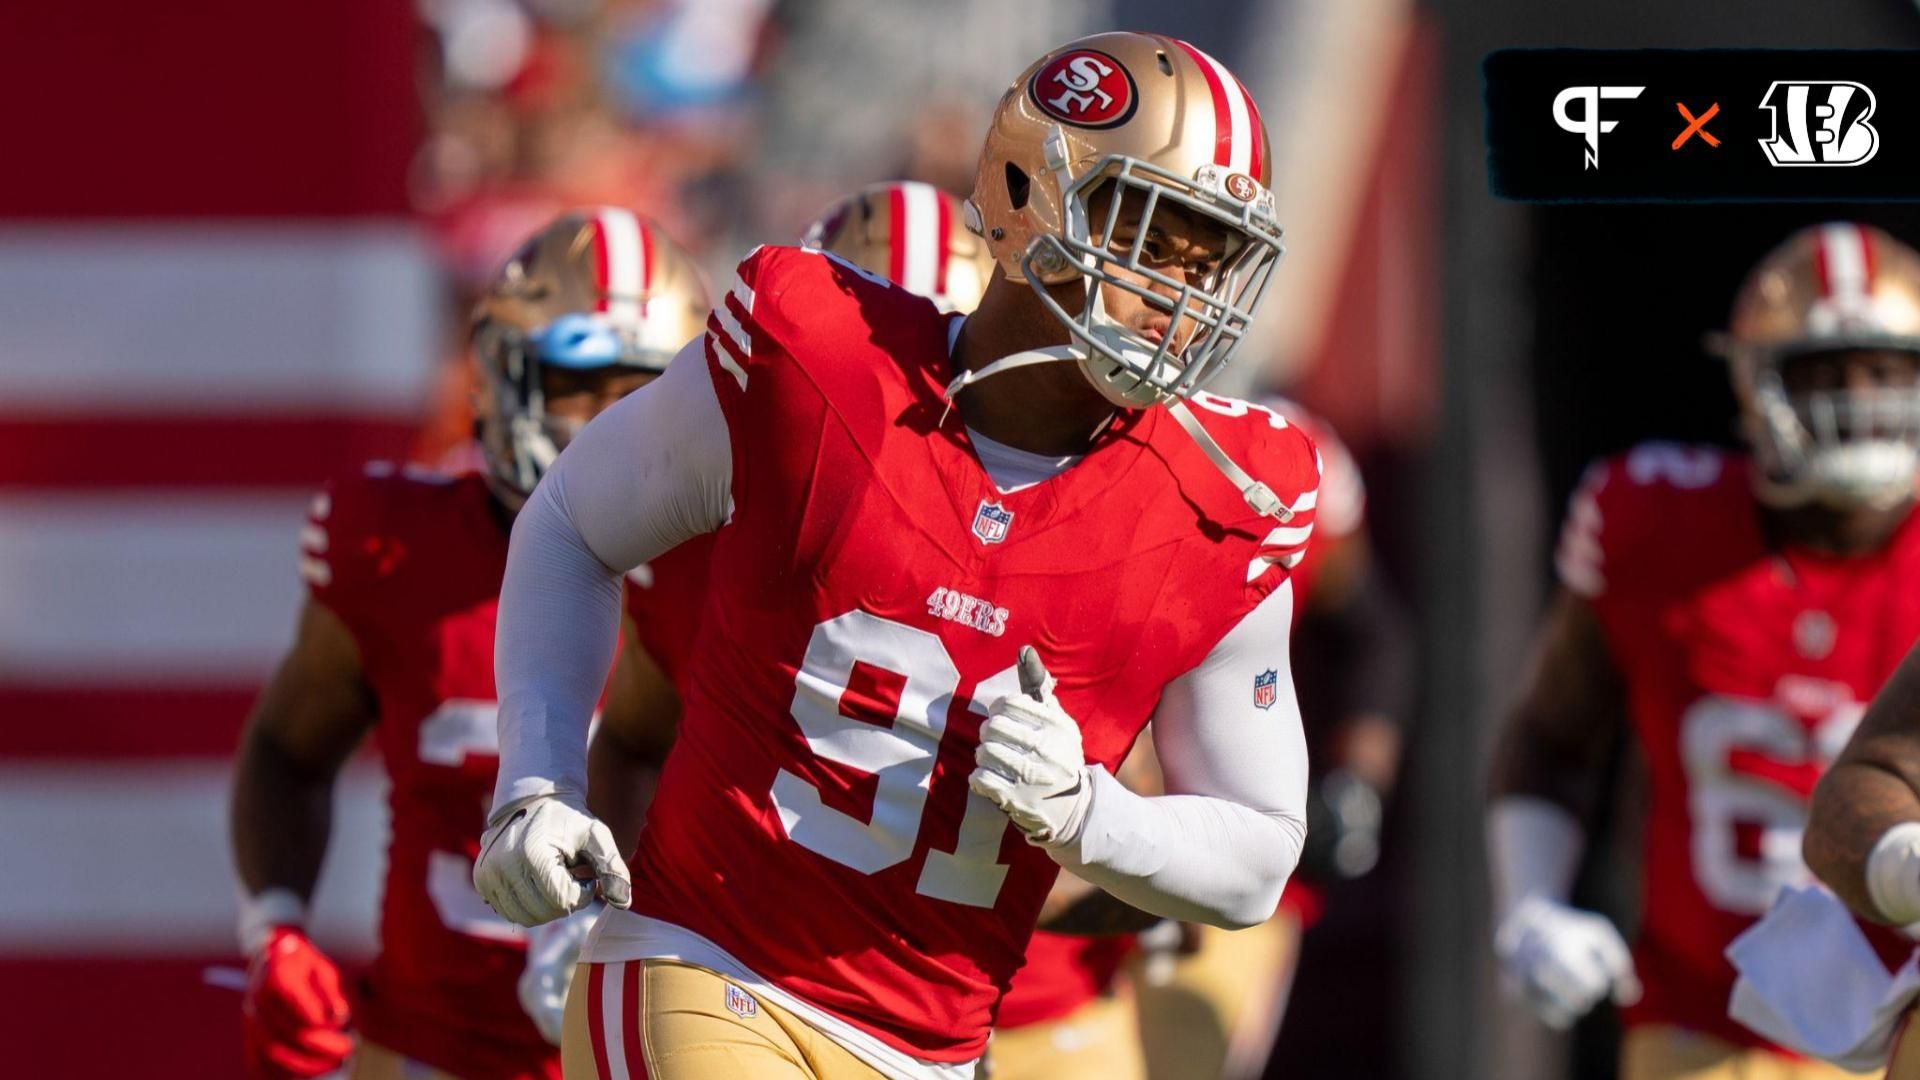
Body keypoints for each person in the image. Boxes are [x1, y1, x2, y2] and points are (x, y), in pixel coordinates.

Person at [472, 30, 1320, 1080]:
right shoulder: (818, 353)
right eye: (1158, 232)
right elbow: (569, 524)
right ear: (1028, 196)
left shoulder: (1222, 496)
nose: (1186, 288)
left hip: (937, 1047)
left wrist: (1089, 818)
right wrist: (537, 782)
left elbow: (1257, 852)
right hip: (708, 961)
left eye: (1212, 252)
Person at [229, 208, 709, 1079]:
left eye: (643, 387)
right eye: (579, 382)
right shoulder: (393, 547)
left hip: (666, 1050)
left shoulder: (729, 572)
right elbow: (287, 750)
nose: (611, 421)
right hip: (431, 1051)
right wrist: (275, 926)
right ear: (503, 375)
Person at [1487, 222, 1920, 1079]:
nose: (1858, 398)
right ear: (1756, 385)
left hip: (1903, 1016)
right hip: (1704, 1021)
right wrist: (1529, 904)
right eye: (1825, 372)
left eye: (1885, 371)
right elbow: (1552, 738)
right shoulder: (1654, 521)